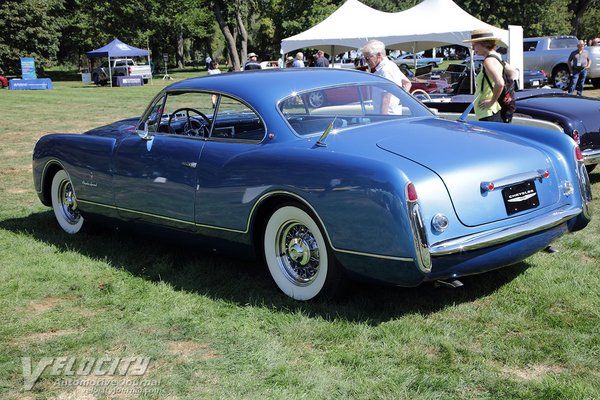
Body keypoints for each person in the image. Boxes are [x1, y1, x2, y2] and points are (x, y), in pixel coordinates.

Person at [463, 28, 505, 122]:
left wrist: (491, 101)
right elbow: (513, 73)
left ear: (483, 43)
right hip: (493, 110)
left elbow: (500, 83)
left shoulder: (488, 61)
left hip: (487, 112)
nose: (473, 49)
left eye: (474, 45)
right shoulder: (498, 57)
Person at [360, 39, 411, 114]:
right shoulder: (391, 65)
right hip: (393, 114)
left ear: (379, 55)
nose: (366, 62)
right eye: (364, 59)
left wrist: (383, 118)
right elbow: (407, 83)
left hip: (387, 116)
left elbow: (386, 99)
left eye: (367, 58)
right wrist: (400, 100)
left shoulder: (384, 71)